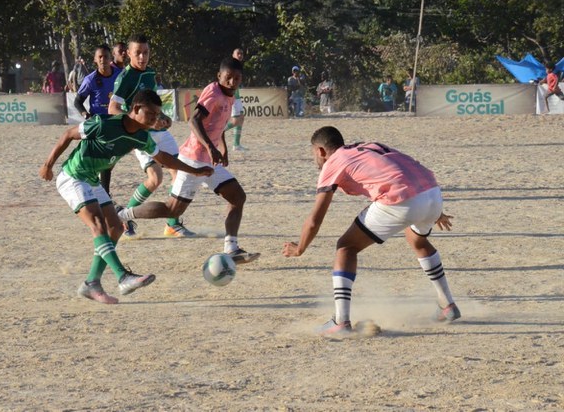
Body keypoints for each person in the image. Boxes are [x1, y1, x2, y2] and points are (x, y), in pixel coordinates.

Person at [39, 89, 213, 304]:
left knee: (116, 227)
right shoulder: (104, 124)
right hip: (73, 176)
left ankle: (91, 282)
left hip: (91, 179)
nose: (154, 119)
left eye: (157, 115)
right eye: (151, 114)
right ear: (136, 109)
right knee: (97, 225)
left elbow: (164, 158)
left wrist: (195, 170)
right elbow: (68, 135)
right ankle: (123, 276)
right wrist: (48, 165)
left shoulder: (141, 136)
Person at [283, 126, 460, 336]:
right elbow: (401, 167)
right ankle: (447, 305)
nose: (315, 159)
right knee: (418, 241)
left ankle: (340, 321)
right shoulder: (368, 146)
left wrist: (300, 247)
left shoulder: (332, 163)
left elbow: (315, 220)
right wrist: (434, 210)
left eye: (314, 153)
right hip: (431, 192)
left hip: (403, 200)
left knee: (346, 247)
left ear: (321, 151)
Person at [118, 57, 260, 265]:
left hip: (209, 162)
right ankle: (122, 214)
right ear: (219, 76)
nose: (232, 82)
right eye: (228, 78)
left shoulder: (229, 96)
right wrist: (211, 147)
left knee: (237, 197)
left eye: (236, 78)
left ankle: (231, 248)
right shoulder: (213, 92)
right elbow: (194, 121)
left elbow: (217, 127)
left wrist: (223, 148)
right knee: (171, 210)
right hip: (193, 160)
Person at [108, 34, 192, 238]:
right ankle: (125, 217)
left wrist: (163, 117)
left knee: (179, 173)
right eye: (137, 53)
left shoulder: (150, 73)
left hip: (160, 133)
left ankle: (172, 224)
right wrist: (137, 122)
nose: (142, 56)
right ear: (128, 54)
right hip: (141, 134)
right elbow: (112, 108)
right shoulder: (125, 78)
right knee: (155, 178)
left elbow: (152, 103)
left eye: (145, 52)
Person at [73, 44, 119, 194]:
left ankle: (102, 190)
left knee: (109, 160)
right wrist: (86, 115)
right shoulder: (90, 79)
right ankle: (103, 192)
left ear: (110, 58)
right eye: (99, 57)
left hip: (116, 122)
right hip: (98, 124)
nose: (103, 59)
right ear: (95, 60)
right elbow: (77, 101)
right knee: (104, 159)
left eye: (106, 56)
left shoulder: (120, 75)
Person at [224, 48, 247, 151]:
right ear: (233, 54)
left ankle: (236, 145)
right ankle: (218, 132)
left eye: (241, 54)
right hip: (232, 95)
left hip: (235, 95)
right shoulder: (231, 65)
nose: (240, 55)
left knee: (240, 118)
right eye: (238, 53)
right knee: (236, 120)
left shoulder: (237, 66)